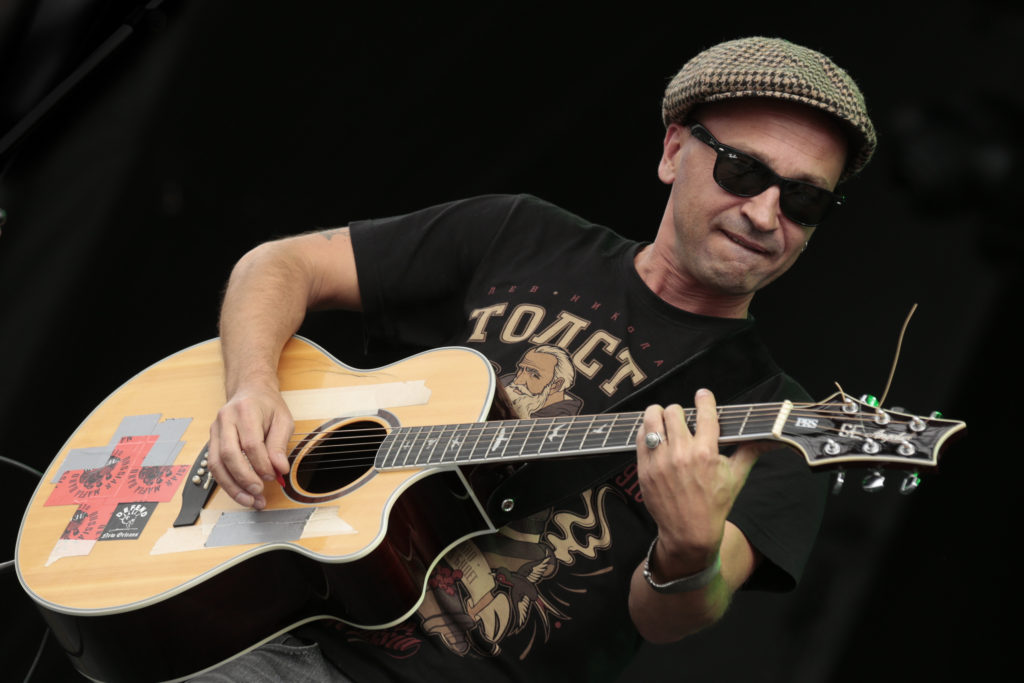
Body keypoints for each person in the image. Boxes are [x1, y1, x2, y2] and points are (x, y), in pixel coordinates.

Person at [201, 36, 876, 682]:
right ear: (674, 150)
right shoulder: (519, 234)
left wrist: (689, 550)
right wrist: (254, 389)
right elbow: (281, 264)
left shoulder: (774, 422)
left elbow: (669, 617)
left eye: (804, 199)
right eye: (743, 170)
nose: (765, 213)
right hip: (278, 636)